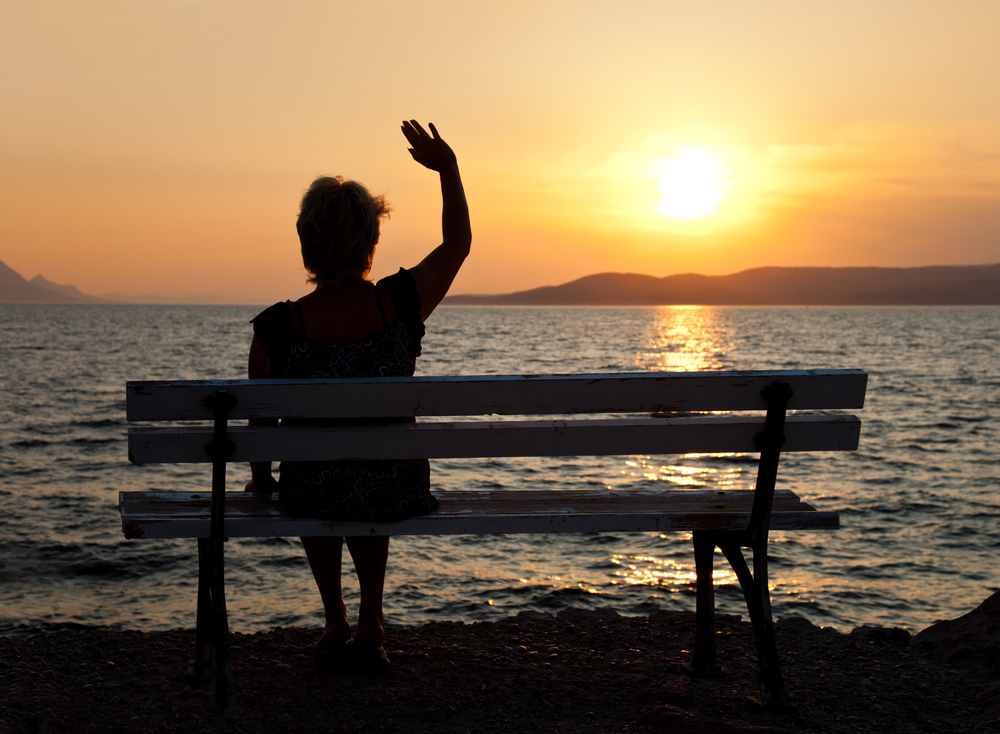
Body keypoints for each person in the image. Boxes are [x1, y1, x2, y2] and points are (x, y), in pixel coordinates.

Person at [245, 120, 471, 672]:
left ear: (307, 242)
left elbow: (259, 426)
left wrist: (259, 478)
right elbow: (458, 245)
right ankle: (372, 617)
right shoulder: (400, 302)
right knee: (371, 468)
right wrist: (449, 170)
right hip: (395, 488)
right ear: (371, 240)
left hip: (310, 491)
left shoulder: (278, 327)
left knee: (310, 476)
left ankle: (335, 617)